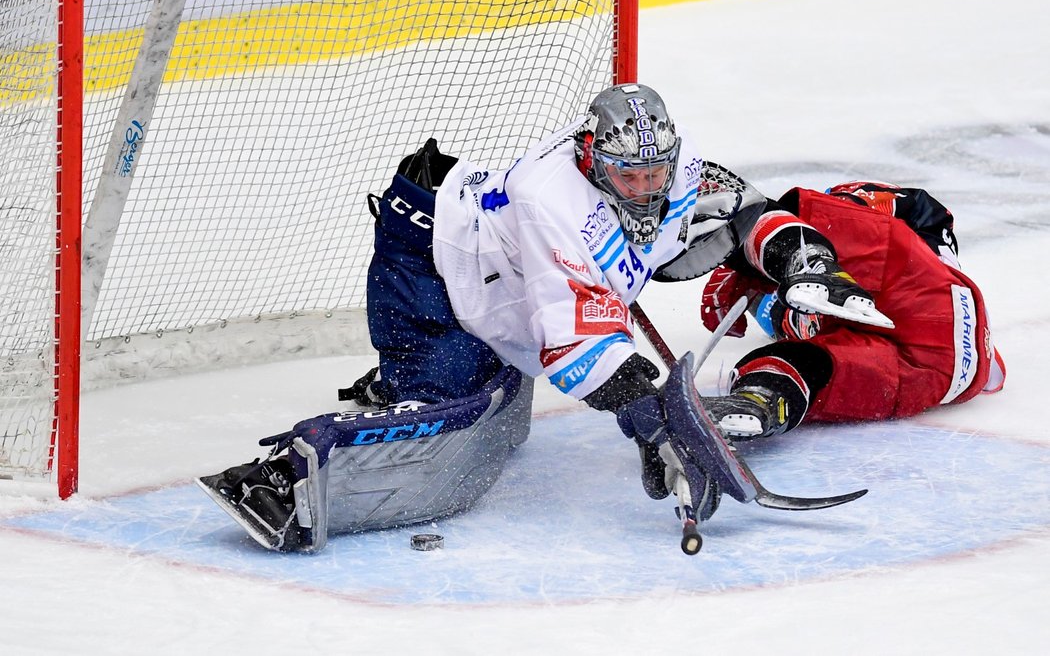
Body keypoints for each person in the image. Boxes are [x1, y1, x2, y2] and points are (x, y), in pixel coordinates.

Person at [198, 83, 976, 552]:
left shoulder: (670, 162)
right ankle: (287, 478)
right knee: (460, 413)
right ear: (591, 157)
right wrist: (652, 420)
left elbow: (720, 219)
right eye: (627, 174)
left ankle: (407, 372)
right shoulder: (551, 202)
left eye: (655, 172)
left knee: (506, 400)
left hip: (496, 272)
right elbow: (578, 350)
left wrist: (790, 248)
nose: (645, 187)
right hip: (433, 265)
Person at [700, 181, 1005, 430]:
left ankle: (715, 213)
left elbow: (914, 210)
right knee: (824, 368)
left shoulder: (881, 223)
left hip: (930, 304)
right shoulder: (784, 313)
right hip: (944, 374)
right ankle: (760, 400)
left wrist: (736, 252)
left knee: (824, 232)